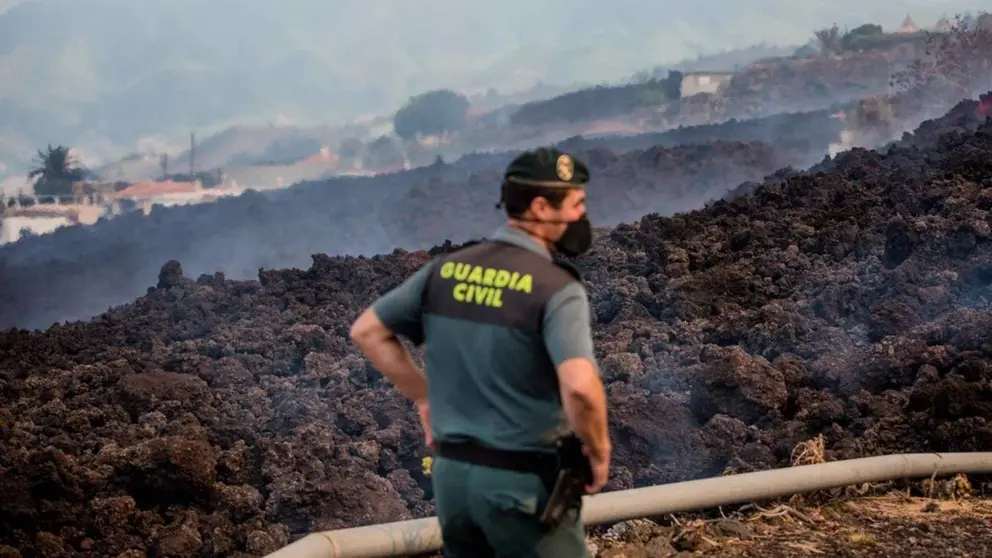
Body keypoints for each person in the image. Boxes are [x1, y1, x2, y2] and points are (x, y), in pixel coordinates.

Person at [349, 146, 611, 557]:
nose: (581, 215)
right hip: (522, 487)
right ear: (541, 208)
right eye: (577, 203)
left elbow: (368, 331)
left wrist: (424, 396)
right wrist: (598, 450)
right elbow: (579, 387)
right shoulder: (556, 288)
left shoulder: (444, 270)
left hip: (453, 483)